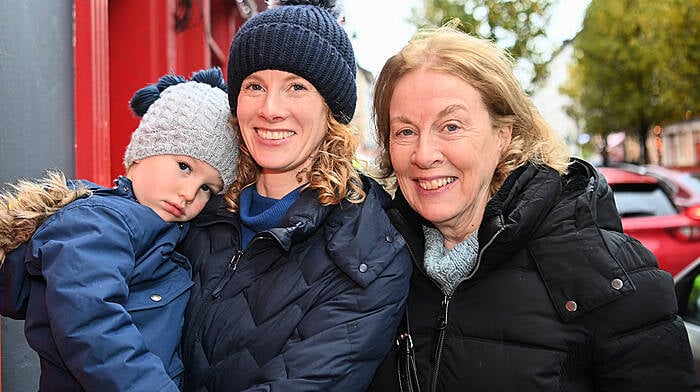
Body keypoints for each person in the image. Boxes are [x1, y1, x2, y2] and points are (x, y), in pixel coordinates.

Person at [367, 22, 700, 391]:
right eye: (405, 131)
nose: (424, 154)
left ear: (502, 136)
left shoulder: (607, 276)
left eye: (451, 126)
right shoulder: (372, 267)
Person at [177, 2, 412, 391]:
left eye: (296, 87)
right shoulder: (201, 206)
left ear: (330, 110)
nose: (270, 110)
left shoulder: (367, 248)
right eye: (255, 86)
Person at [0, 68, 238, 391]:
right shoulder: (97, 223)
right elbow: (93, 326)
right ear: (144, 151)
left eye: (208, 188)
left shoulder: (168, 238)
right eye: (184, 167)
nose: (189, 194)